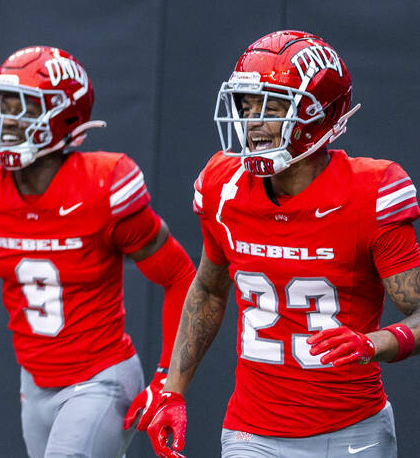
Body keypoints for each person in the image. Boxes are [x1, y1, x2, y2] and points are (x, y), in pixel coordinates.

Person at [136, 31, 420, 458]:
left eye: (271, 107)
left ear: (318, 113)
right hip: (251, 434)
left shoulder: (370, 192)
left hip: (351, 433)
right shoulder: (223, 186)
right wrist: (171, 391)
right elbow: (210, 288)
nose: (253, 123)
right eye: (246, 107)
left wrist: (374, 342)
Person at [0, 47, 196, 458]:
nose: (4, 121)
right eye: (1, 106)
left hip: (101, 379)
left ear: (65, 116)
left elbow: (181, 277)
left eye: (20, 108)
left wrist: (167, 380)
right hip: (34, 386)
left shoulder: (103, 184)